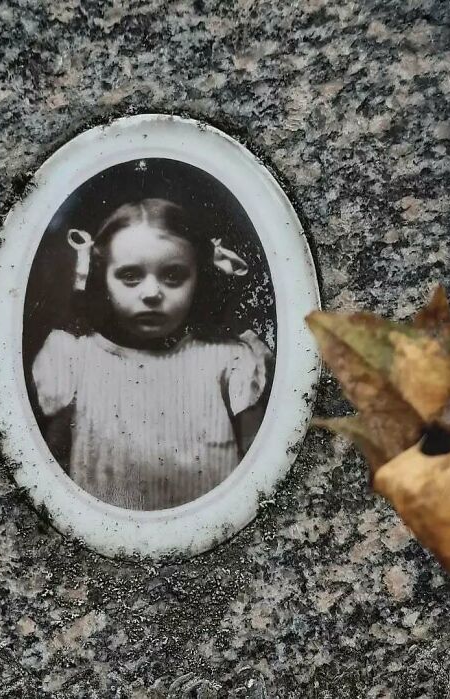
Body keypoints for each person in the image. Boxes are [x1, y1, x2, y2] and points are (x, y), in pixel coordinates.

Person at [31, 198, 272, 511]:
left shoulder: (229, 359)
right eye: (130, 275)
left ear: (198, 276)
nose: (151, 293)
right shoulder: (75, 358)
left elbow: (259, 464)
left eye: (173, 276)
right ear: (103, 276)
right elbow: (50, 465)